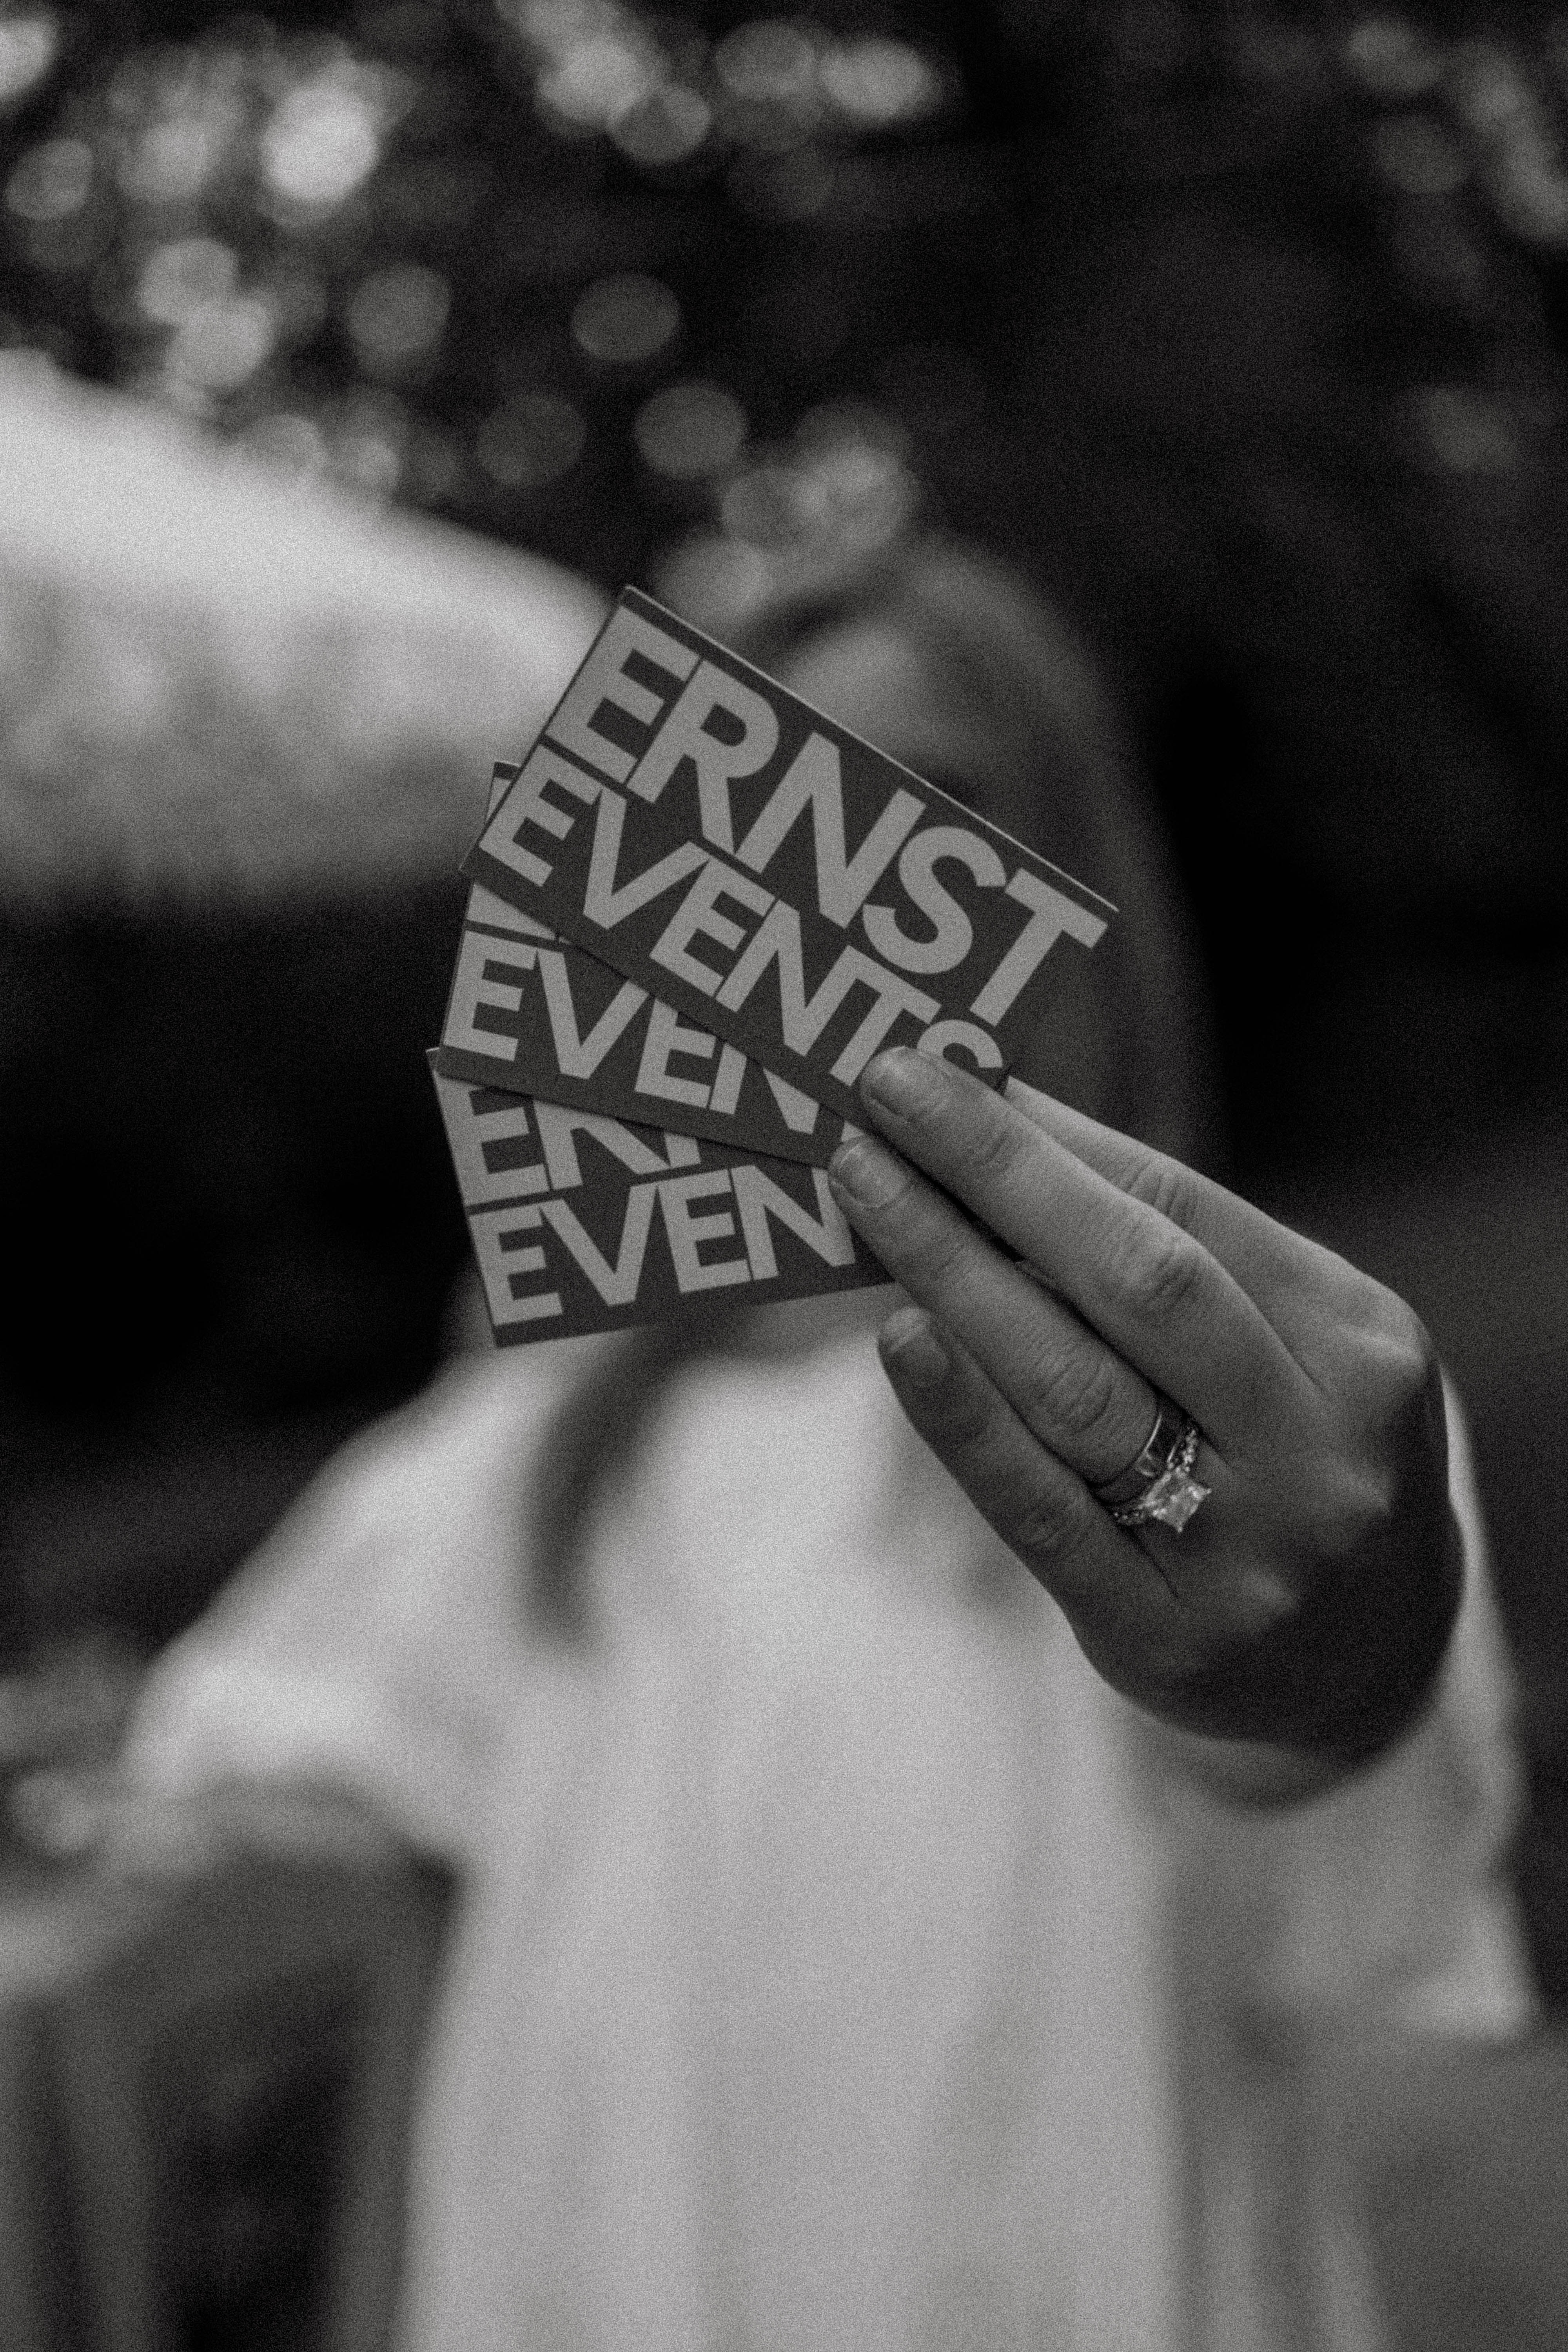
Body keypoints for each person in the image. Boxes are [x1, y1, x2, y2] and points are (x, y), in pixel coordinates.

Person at [120, 539, 1532, 2352]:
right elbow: (257, 1782)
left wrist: (1318, 1670)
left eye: (935, 797)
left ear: (1067, 871)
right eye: (776, 817)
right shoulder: (537, 1443)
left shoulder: (1270, 1406)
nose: (838, 911)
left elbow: (1346, 1812)